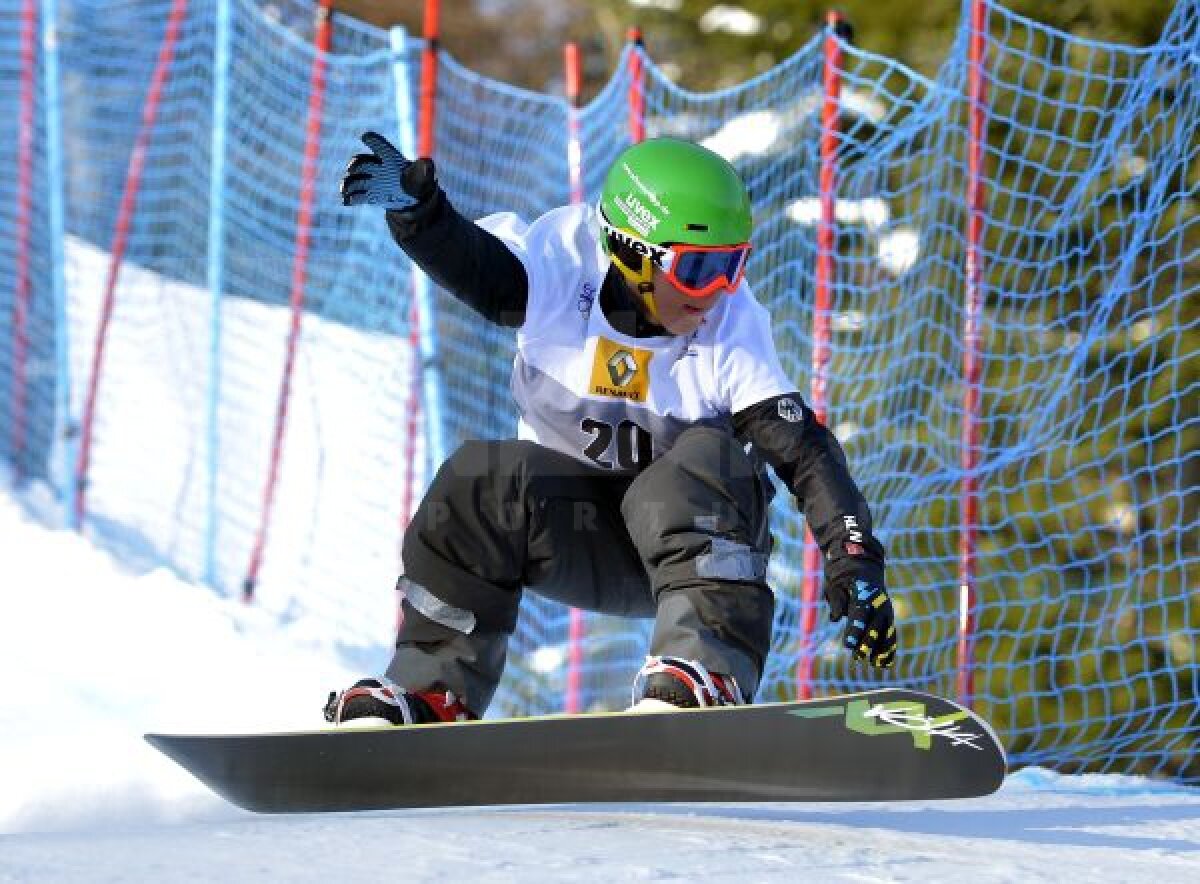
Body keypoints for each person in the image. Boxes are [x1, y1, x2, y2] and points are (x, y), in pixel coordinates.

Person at [324, 132, 895, 726]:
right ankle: (430, 688)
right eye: (698, 269)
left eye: (733, 265)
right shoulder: (563, 262)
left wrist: (854, 561)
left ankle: (701, 671)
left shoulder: (732, 324)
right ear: (633, 251)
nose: (718, 291)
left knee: (711, 455)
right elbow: (487, 272)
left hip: (694, 547)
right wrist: (423, 217)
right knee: (478, 478)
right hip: (572, 531)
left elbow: (805, 453)